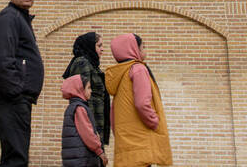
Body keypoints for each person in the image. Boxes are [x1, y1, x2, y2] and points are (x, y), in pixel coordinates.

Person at [0, 0, 44, 167]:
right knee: (16, 160)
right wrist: (17, 92)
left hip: (15, 99)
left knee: (14, 158)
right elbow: (2, 61)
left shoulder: (20, 19)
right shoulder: (9, 18)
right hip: (9, 99)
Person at [105, 33, 172, 167]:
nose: (145, 50)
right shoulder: (138, 69)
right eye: (143, 47)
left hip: (126, 141)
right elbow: (142, 103)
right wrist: (154, 121)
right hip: (141, 140)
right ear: (134, 49)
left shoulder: (120, 73)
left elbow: (114, 112)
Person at [63, 32, 110, 146]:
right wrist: (91, 129)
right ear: (90, 46)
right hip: (89, 128)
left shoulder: (92, 65)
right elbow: (82, 97)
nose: (102, 49)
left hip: (95, 125)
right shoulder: (82, 63)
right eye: (99, 45)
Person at [61, 74, 108, 167]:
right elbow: (87, 134)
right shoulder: (79, 108)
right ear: (80, 89)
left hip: (77, 159)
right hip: (82, 159)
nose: (91, 91)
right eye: (88, 88)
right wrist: (100, 152)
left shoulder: (73, 107)